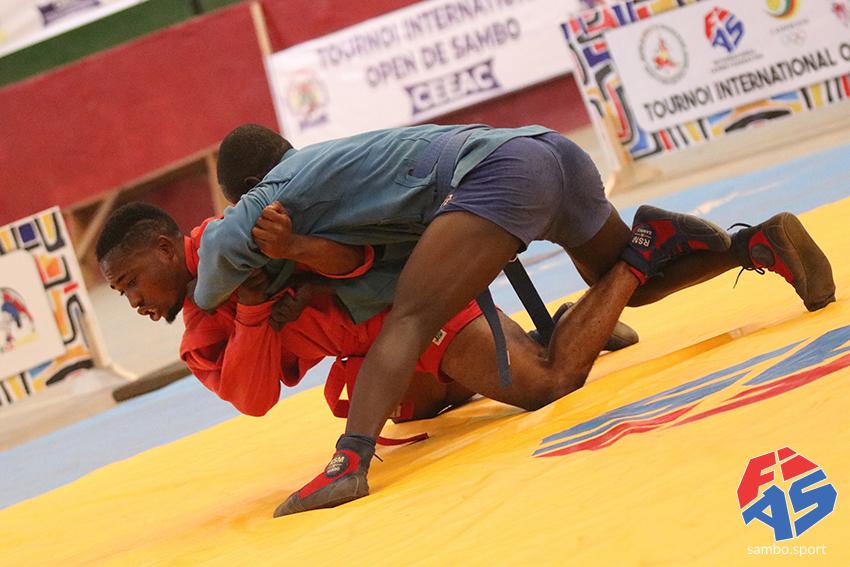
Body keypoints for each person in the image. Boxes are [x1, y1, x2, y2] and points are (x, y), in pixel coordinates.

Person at [197, 123, 835, 516]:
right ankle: (755, 245)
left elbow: (213, 264)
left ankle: (349, 464)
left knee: (409, 322)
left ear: (249, 185)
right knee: (627, 290)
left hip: (499, 176)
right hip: (548, 151)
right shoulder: (322, 172)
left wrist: (198, 295)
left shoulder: (272, 191)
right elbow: (362, 258)